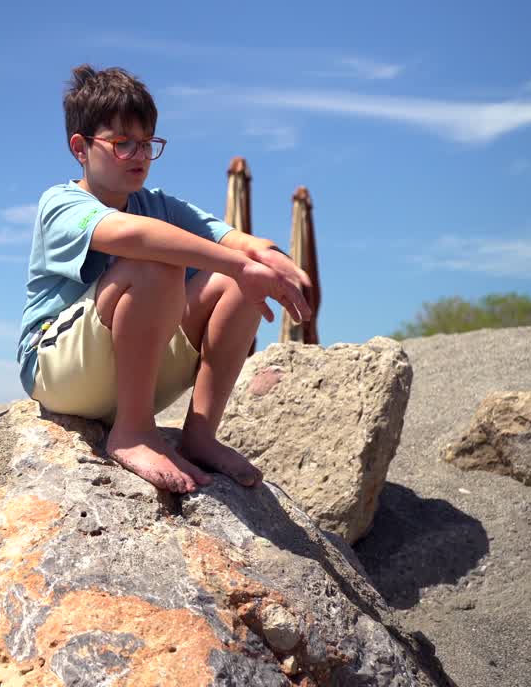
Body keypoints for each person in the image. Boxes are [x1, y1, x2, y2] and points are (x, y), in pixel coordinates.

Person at [16, 65, 313, 494]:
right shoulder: (61, 202)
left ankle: (200, 434)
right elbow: (131, 235)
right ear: (80, 148)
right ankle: (133, 432)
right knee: (156, 261)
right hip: (59, 372)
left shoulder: (158, 204)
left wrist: (267, 259)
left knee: (243, 283)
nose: (139, 156)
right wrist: (237, 262)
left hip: (131, 376)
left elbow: (236, 241)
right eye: (122, 144)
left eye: (147, 144)